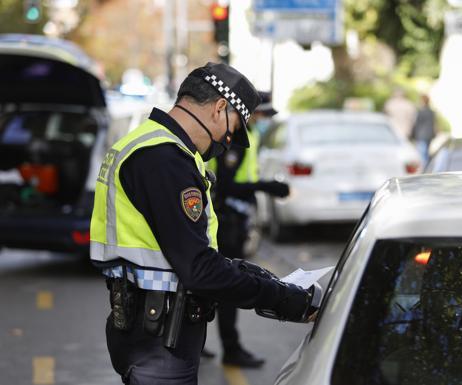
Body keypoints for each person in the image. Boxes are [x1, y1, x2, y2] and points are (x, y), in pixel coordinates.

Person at [90, 62, 315, 385]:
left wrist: (250, 274)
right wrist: (285, 300)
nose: (228, 139)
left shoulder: (152, 146)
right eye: (234, 128)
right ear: (220, 107)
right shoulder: (164, 159)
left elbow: (183, 251)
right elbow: (199, 269)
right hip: (161, 340)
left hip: (148, 328)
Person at [203, 91, 289, 367]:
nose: (264, 120)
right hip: (227, 220)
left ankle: (196, 341)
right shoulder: (237, 142)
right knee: (227, 286)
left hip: (232, 218)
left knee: (211, 286)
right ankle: (231, 349)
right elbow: (226, 185)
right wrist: (267, 186)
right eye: (262, 114)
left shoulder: (244, 136)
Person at [410, 94, 436, 166]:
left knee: (422, 154)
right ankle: (427, 166)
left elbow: (417, 123)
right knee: (426, 153)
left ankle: (424, 168)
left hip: (422, 135)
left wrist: (412, 134)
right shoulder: (431, 112)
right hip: (429, 135)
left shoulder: (421, 112)